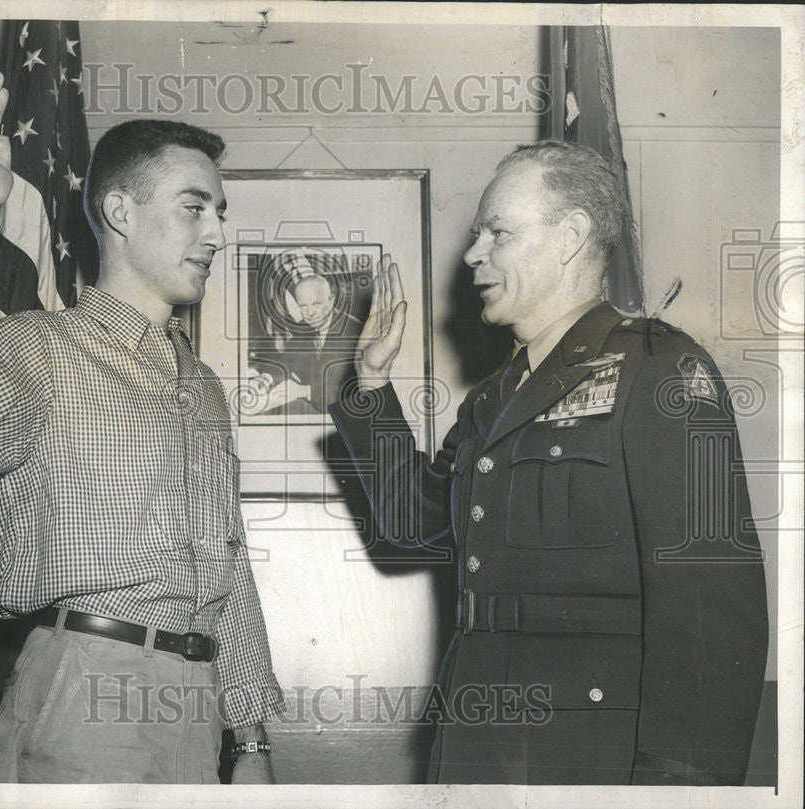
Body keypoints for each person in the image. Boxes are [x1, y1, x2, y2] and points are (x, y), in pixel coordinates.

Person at [0, 71, 283, 784]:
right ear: (120, 210)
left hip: (199, 716)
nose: (218, 233)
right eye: (195, 207)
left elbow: (227, 571)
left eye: (221, 212)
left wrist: (252, 740)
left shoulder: (201, 386)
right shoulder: (40, 349)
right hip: (80, 697)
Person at [329, 141, 768, 785]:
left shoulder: (660, 370)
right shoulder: (497, 396)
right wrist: (370, 385)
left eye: (497, 232)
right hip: (482, 740)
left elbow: (710, 611)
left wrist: (679, 792)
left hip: (591, 754)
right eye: (478, 233)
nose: (473, 253)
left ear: (570, 236)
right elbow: (412, 524)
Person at [247, 267, 364, 415]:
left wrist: (305, 391)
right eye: (303, 306)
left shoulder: (354, 331)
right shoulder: (304, 327)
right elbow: (286, 361)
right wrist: (265, 378)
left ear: (331, 299)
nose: (310, 313)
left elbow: (351, 391)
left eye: (316, 304)